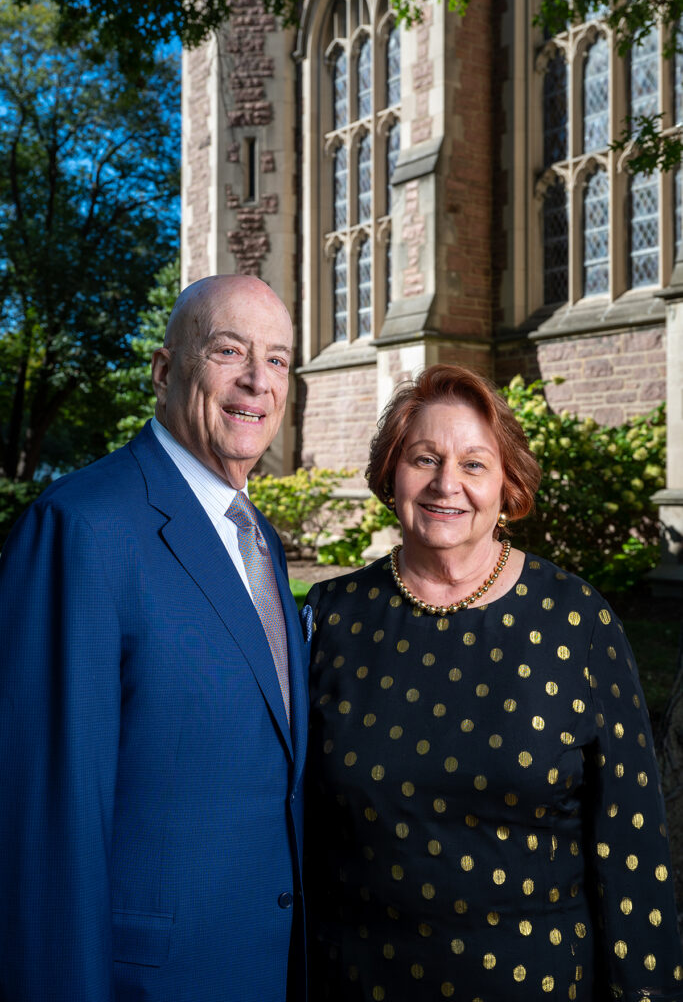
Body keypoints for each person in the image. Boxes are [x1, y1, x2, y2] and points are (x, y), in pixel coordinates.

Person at [304, 364, 683, 1002]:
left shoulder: (576, 621)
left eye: (474, 464)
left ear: (508, 486)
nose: (446, 483)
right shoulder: (330, 618)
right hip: (359, 979)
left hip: (537, 983)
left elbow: (632, 842)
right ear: (391, 472)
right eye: (424, 458)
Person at [0, 275, 310, 1002]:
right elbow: (45, 816)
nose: (256, 382)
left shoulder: (257, 536)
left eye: (277, 360)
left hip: (260, 969)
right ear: (166, 371)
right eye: (229, 351)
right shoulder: (81, 527)